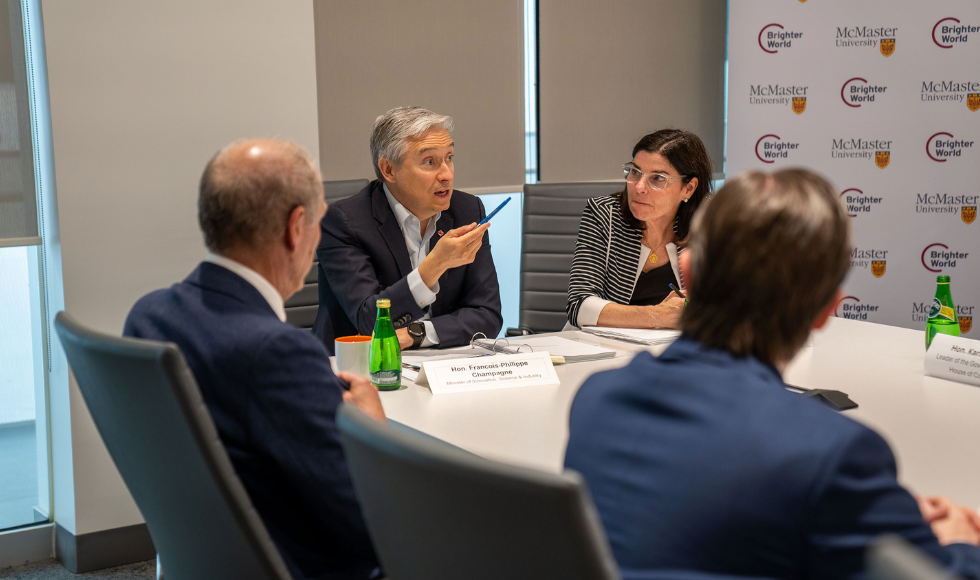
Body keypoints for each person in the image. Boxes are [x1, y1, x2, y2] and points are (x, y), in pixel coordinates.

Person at [564, 169, 980, 580]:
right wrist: (960, 540)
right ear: (826, 310)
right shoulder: (831, 455)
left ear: (688, 273)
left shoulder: (599, 399)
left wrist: (877, 512)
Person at [124, 139, 385, 580]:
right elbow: (372, 527)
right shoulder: (279, 353)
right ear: (296, 227)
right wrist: (373, 435)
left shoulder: (149, 315)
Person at [315, 106, 502, 352]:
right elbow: (369, 320)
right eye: (429, 162)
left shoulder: (467, 210)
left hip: (440, 366)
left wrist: (417, 334)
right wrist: (435, 265)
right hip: (359, 369)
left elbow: (487, 314)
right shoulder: (344, 222)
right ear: (389, 170)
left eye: (449, 157)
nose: (446, 174)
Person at [566, 129, 713, 329]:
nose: (639, 187)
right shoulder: (604, 215)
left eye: (658, 178)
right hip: (602, 349)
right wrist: (656, 315)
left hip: (676, 350)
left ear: (689, 188)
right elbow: (579, 305)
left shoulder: (708, 222)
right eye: (635, 172)